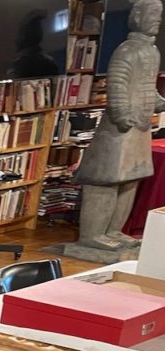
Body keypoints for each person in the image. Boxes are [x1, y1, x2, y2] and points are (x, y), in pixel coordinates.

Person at [73, 0, 165, 249]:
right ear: (136, 17)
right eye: (151, 14)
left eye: (159, 14)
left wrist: (158, 103)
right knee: (106, 180)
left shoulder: (153, 52)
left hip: (141, 127)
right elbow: (118, 86)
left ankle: (113, 230)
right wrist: (123, 113)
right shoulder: (127, 51)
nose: (157, 19)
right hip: (119, 129)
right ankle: (92, 235)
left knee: (130, 180)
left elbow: (146, 85)